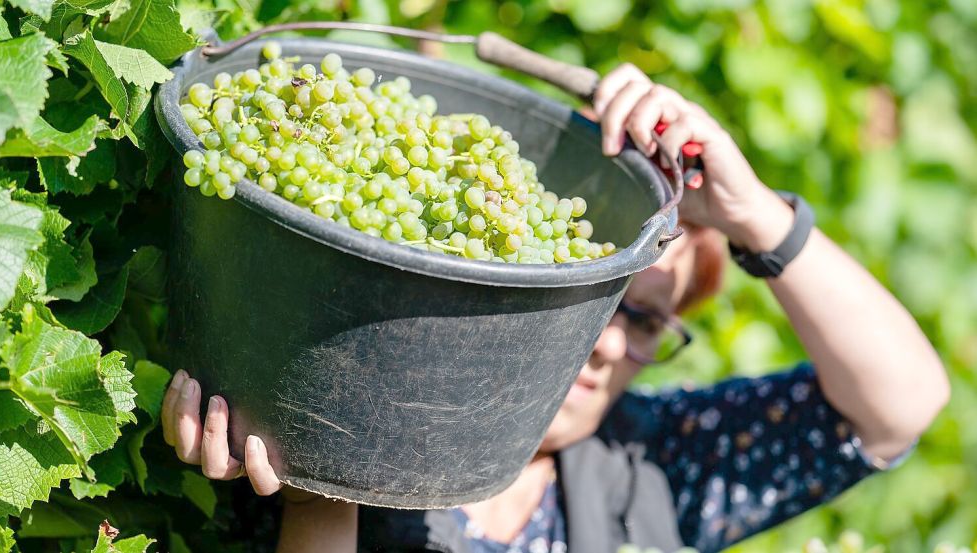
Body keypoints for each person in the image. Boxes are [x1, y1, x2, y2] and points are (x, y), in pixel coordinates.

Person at [161, 64, 949, 553]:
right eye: (592, 293)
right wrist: (320, 490)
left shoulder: (656, 471)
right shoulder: (319, 391)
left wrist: (756, 218)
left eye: (642, 319)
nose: (604, 339)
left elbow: (899, 406)